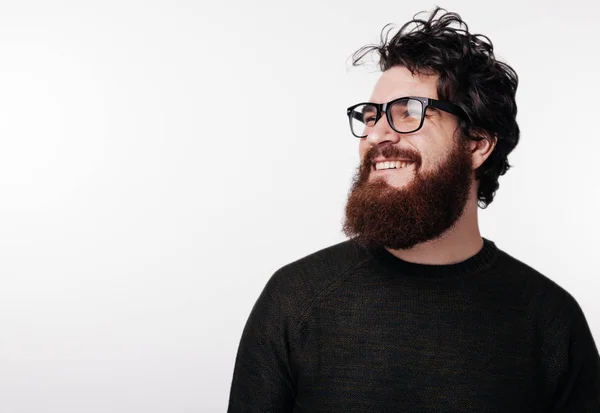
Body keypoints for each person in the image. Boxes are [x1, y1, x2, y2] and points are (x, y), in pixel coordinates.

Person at [227, 7, 600, 412]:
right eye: (370, 116)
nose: (377, 134)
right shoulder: (296, 299)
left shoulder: (550, 321)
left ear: (476, 144)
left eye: (409, 112)